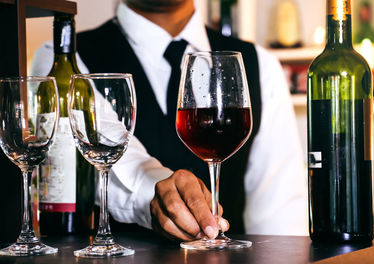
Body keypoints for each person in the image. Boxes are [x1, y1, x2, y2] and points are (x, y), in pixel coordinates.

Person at [31, 0, 307, 241]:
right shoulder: (63, 60)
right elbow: (107, 147)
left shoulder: (260, 65)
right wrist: (158, 192)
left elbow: (280, 214)